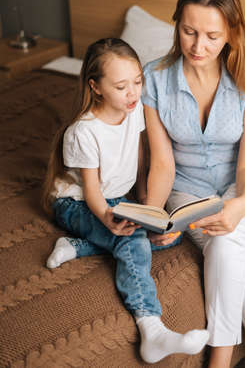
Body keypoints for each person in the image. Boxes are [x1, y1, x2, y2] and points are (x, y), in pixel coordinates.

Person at [142, 0, 245, 368]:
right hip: (188, 193)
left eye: (211, 35)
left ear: (231, 33)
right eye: (189, 31)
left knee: (228, 238)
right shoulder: (154, 78)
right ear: (177, 25)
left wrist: (240, 203)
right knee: (239, 254)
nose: (198, 46)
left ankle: (218, 361)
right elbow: (163, 163)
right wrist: (154, 217)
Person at [42, 37, 209, 364]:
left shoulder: (134, 112)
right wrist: (107, 218)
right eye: (121, 86)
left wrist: (153, 213)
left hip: (117, 198)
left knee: (169, 237)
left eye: (137, 82)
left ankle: (78, 246)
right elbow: (91, 190)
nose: (133, 93)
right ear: (96, 87)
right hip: (76, 202)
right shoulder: (83, 131)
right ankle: (151, 327)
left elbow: (143, 165)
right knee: (132, 239)